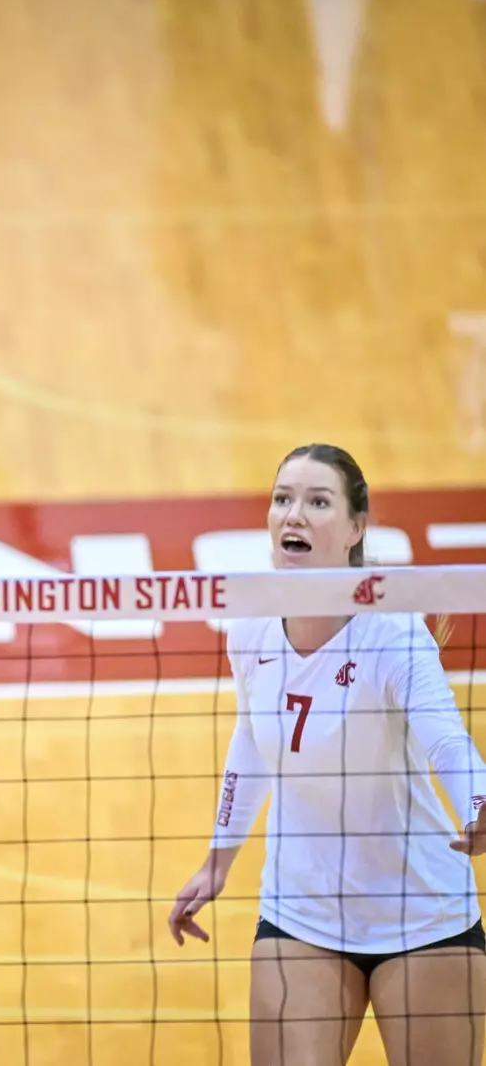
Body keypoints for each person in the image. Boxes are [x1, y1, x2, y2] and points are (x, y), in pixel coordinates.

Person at [167, 445, 486, 1066]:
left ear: (356, 528)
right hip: (301, 909)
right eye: (283, 499)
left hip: (421, 913)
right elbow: (255, 739)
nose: (295, 515)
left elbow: (444, 735)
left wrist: (480, 796)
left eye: (318, 502)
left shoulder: (392, 632)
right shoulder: (250, 625)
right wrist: (218, 858)